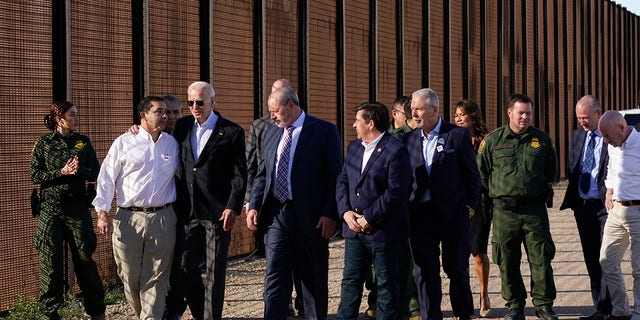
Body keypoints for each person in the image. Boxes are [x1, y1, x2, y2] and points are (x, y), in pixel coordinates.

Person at [246, 87, 342, 319]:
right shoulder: (271, 132)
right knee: (275, 276)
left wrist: (330, 213)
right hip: (277, 215)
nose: (272, 116)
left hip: (312, 217)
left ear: (291, 105)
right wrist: (254, 205)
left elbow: (335, 176)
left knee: (312, 278)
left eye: (276, 111)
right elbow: (262, 174)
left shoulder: (323, 131)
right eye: (270, 112)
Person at [93, 96, 179, 319]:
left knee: (157, 276)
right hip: (128, 218)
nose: (165, 116)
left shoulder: (172, 143)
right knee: (129, 274)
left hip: (163, 217)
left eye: (167, 112)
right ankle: (143, 314)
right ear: (143, 115)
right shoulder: (124, 142)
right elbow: (106, 178)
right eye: (159, 112)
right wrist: (102, 212)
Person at [477, 93, 559, 320]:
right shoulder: (493, 141)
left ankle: (543, 305)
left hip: (534, 210)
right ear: (509, 113)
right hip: (504, 211)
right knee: (507, 259)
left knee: (541, 259)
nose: (525, 117)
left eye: (529, 113)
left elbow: (551, 170)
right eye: (521, 112)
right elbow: (481, 174)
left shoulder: (542, 140)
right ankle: (514, 306)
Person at [172, 81, 247, 320]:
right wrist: (136, 128)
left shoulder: (232, 131)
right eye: (191, 102)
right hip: (187, 210)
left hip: (216, 212)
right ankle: (198, 314)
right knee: (185, 266)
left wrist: (232, 207)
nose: (195, 107)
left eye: (200, 102)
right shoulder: (182, 127)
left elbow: (239, 174)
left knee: (214, 272)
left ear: (213, 102)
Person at [404, 88, 480, 320]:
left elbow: (472, 175)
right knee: (425, 271)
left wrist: (469, 205)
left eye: (418, 109)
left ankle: (463, 313)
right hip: (420, 216)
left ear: (434, 110)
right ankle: (431, 315)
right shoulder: (408, 139)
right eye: (412, 109)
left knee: (456, 269)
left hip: (453, 215)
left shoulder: (456, 135)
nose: (413, 113)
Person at [30, 100, 105, 320]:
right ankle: (50, 313)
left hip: (77, 208)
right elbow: (35, 175)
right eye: (72, 114)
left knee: (84, 260)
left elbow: (95, 172)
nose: (76, 118)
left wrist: (78, 170)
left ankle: (97, 311)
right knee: (51, 263)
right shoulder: (43, 144)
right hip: (50, 210)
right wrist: (60, 171)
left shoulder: (83, 142)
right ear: (58, 118)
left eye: (76, 114)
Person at [336, 101, 411, 320]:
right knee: (350, 280)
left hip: (383, 230)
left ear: (370, 123)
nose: (353, 125)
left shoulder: (396, 150)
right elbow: (343, 180)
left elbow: (395, 191)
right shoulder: (354, 147)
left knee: (386, 284)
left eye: (357, 120)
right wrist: (346, 212)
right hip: (354, 229)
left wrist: (369, 217)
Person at [559, 95, 612, 320]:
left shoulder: (611, 137)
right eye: (579, 118)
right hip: (582, 206)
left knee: (606, 257)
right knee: (591, 258)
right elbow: (574, 168)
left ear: (598, 114)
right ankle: (600, 308)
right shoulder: (577, 135)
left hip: (604, 207)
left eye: (586, 117)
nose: (582, 122)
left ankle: (610, 308)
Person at [598, 110, 640, 320]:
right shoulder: (613, 146)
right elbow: (611, 170)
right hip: (616, 210)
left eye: (607, 135)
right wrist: (609, 192)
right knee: (607, 261)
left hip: (638, 212)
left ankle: (639, 312)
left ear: (621, 128)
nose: (605, 141)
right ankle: (621, 309)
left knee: (639, 268)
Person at [454, 99, 492, 317]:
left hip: (479, 203)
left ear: (473, 117)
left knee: (478, 252)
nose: (458, 118)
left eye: (463, 115)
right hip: (457, 203)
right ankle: (465, 295)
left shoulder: (485, 142)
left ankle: (483, 293)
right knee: (460, 252)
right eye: (456, 115)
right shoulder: (451, 139)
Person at [161, 94, 186, 320]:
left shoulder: (188, 133)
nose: (170, 117)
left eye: (175, 112)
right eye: (166, 112)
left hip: (184, 208)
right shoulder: (150, 136)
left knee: (180, 260)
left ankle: (175, 307)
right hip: (160, 208)